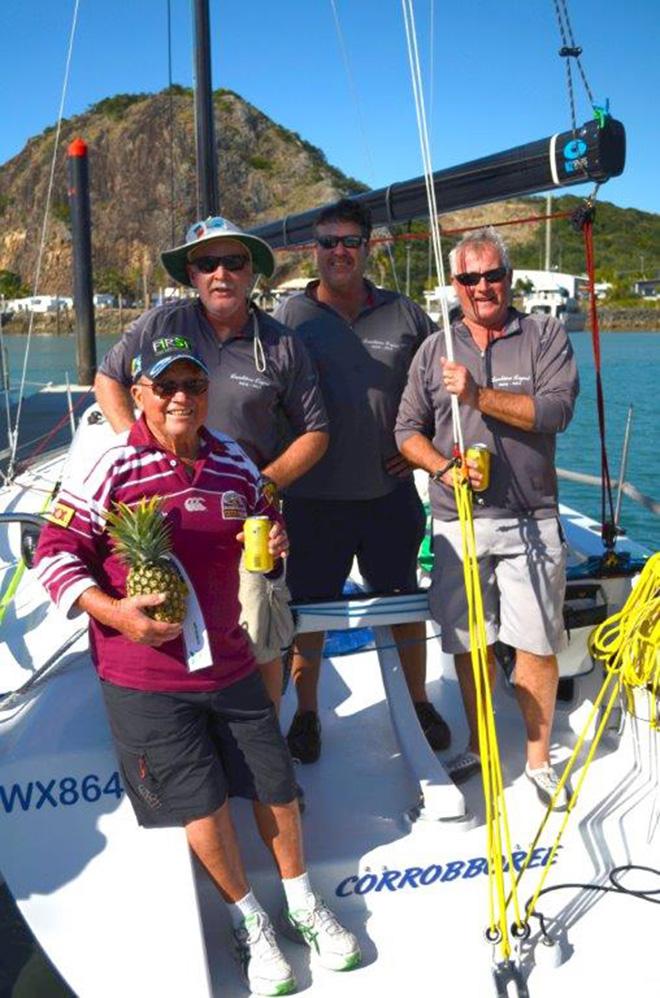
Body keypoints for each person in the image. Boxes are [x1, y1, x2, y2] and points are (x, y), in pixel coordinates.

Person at [35, 336, 360, 996]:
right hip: (146, 674)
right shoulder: (111, 465)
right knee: (199, 799)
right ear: (141, 396)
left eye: (194, 385)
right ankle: (247, 919)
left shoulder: (233, 460)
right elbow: (53, 553)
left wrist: (274, 539)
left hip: (233, 661)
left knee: (276, 784)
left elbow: (264, 517)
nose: (182, 397)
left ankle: (301, 903)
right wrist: (118, 614)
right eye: (166, 387)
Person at [94, 216, 329, 710]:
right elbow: (108, 380)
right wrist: (132, 448)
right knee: (169, 631)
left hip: (244, 519)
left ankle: (265, 749)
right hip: (161, 510)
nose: (220, 273)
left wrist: (261, 482)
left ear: (251, 273)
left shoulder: (283, 344)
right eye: (206, 263)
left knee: (259, 635)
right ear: (192, 274)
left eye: (233, 262)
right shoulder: (161, 324)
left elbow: (316, 432)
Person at [395, 226, 580, 809]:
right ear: (455, 284)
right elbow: (406, 431)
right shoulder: (435, 349)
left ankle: (537, 759)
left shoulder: (544, 335)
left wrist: (476, 396)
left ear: (509, 277)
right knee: (470, 642)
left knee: (535, 644)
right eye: (469, 278)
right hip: (459, 520)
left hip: (531, 516)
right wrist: (441, 471)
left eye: (492, 275)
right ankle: (480, 744)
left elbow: (554, 412)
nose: (481, 287)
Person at [274, 198, 451, 763]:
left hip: (388, 495)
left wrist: (425, 450)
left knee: (402, 602)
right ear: (315, 250)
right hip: (311, 498)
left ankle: (418, 700)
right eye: (328, 242)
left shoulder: (406, 316)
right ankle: (306, 712)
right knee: (308, 613)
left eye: (350, 241)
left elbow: (439, 393)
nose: (339, 252)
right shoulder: (287, 320)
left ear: (368, 246)